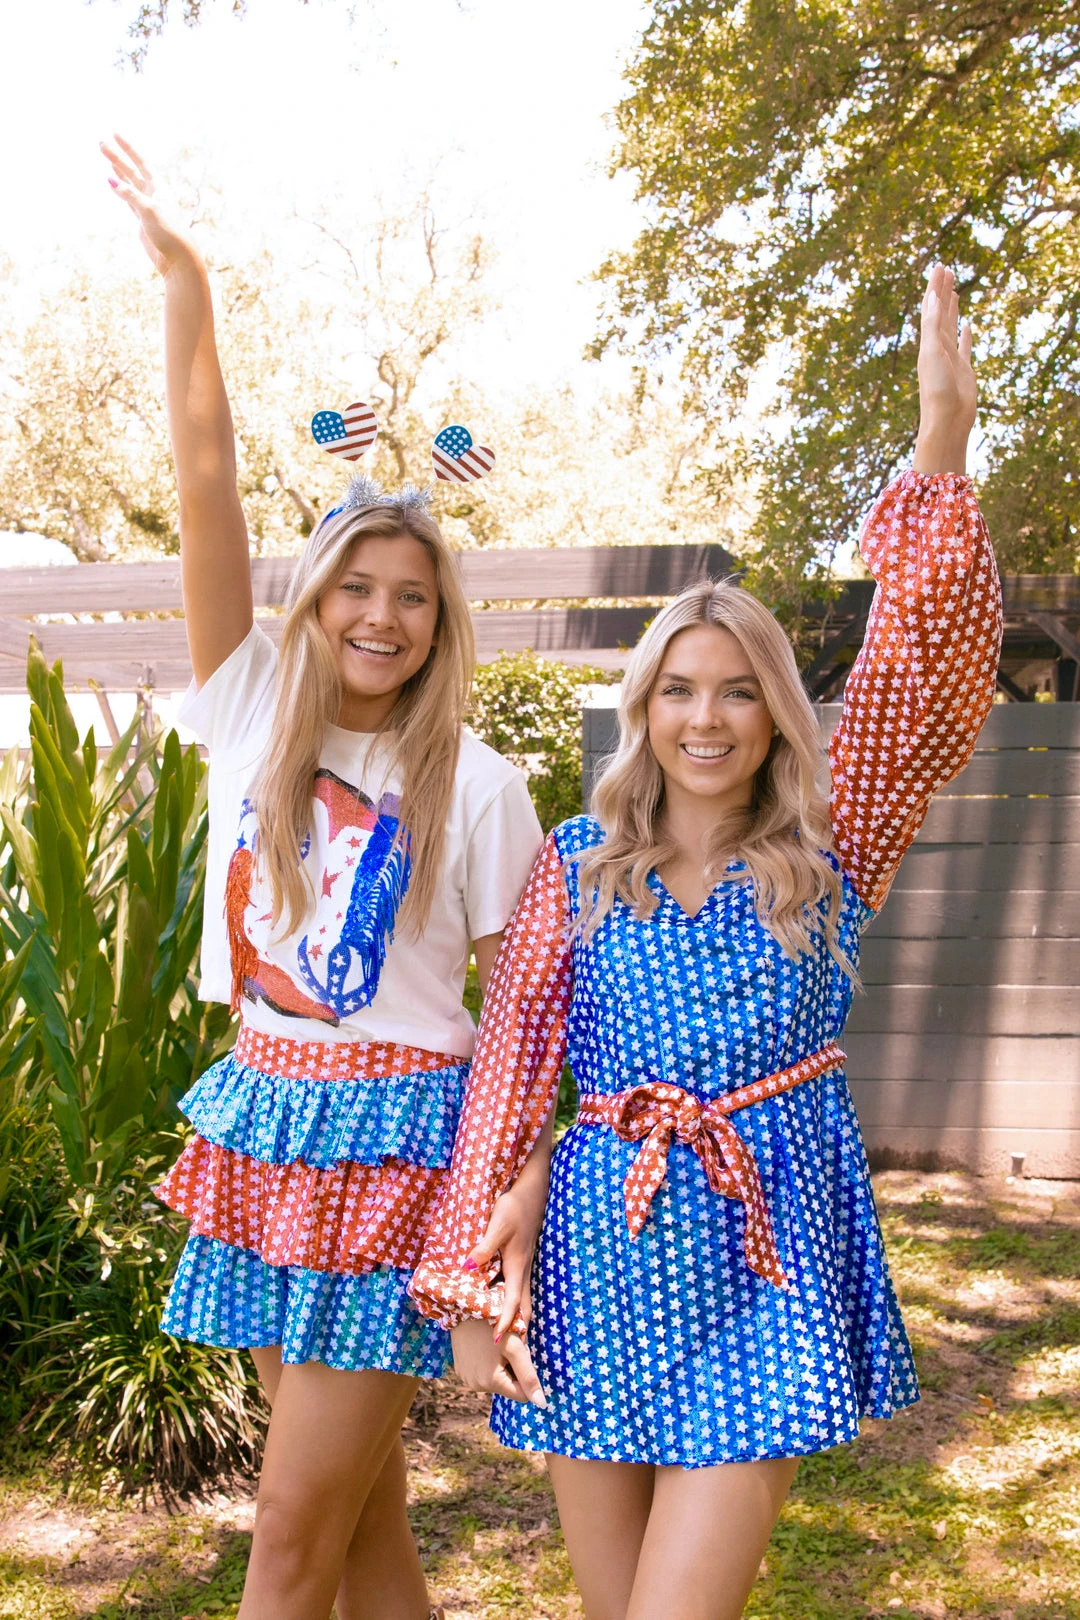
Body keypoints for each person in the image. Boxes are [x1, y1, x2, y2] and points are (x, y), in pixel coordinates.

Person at [409, 264, 1002, 1620]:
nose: (708, 718)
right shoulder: (575, 863)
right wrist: (461, 1288)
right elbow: (512, 1067)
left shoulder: (835, 837)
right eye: (679, 689)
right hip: (596, 1270)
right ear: (643, 707)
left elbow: (925, 661)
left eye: (741, 691)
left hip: (764, 1257)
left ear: (779, 712)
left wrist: (941, 443)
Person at [103, 136, 543, 1620]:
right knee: (359, 1536)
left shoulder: (478, 788)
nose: (382, 615)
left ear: (440, 625)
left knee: (289, 1536)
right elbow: (205, 482)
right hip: (269, 1120)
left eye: (413, 599)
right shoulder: (245, 712)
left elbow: (539, 996)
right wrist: (189, 286)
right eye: (357, 587)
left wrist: (518, 1177)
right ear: (316, 602)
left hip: (398, 1151)